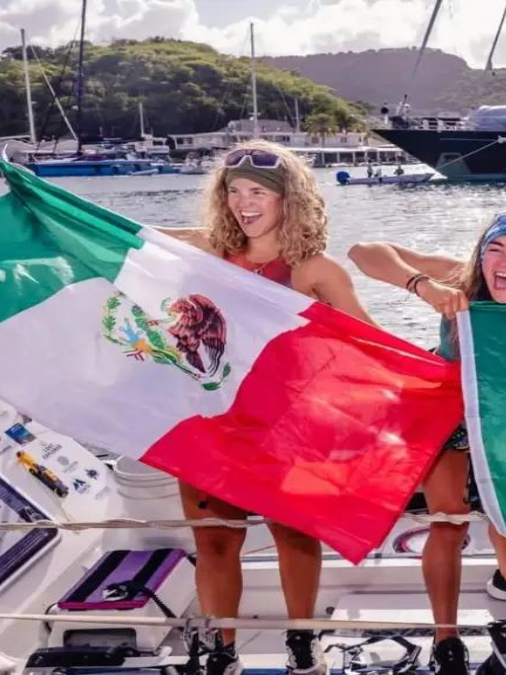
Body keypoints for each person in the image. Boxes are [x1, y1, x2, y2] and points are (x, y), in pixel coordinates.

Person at [158, 139, 375, 675]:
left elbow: (375, 345)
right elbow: (120, 240)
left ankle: (303, 642)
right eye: (234, 191)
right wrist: (46, 205)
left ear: (288, 200)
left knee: (294, 536)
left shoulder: (314, 271)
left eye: (259, 192)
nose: (244, 202)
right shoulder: (207, 250)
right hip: (211, 423)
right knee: (213, 543)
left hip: (287, 429)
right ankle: (221, 651)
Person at [348, 210, 506, 675]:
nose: (505, 260)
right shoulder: (461, 280)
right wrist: (423, 287)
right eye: (495, 248)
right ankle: (446, 638)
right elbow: (363, 252)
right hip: (445, 409)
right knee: (447, 522)